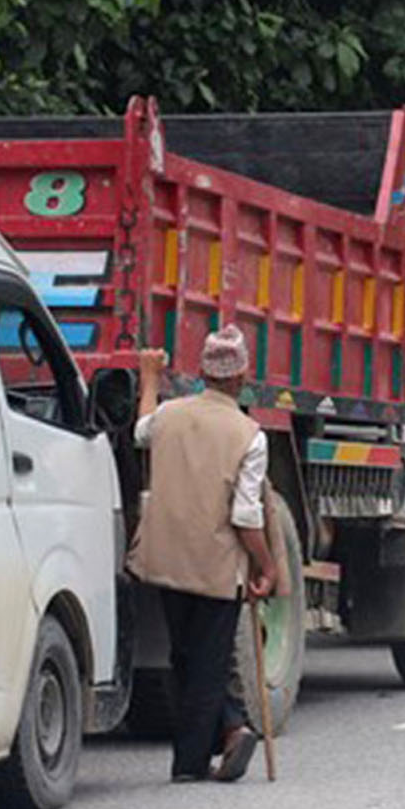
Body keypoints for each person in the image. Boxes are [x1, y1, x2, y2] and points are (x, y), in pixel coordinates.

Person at [128, 326, 278, 784]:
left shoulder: (170, 414)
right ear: (242, 377)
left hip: (167, 557)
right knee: (208, 662)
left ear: (201, 372)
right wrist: (268, 565)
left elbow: (139, 432)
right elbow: (246, 515)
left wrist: (150, 380)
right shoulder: (249, 435)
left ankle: (231, 728)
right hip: (216, 565)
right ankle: (191, 764)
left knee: (185, 654)